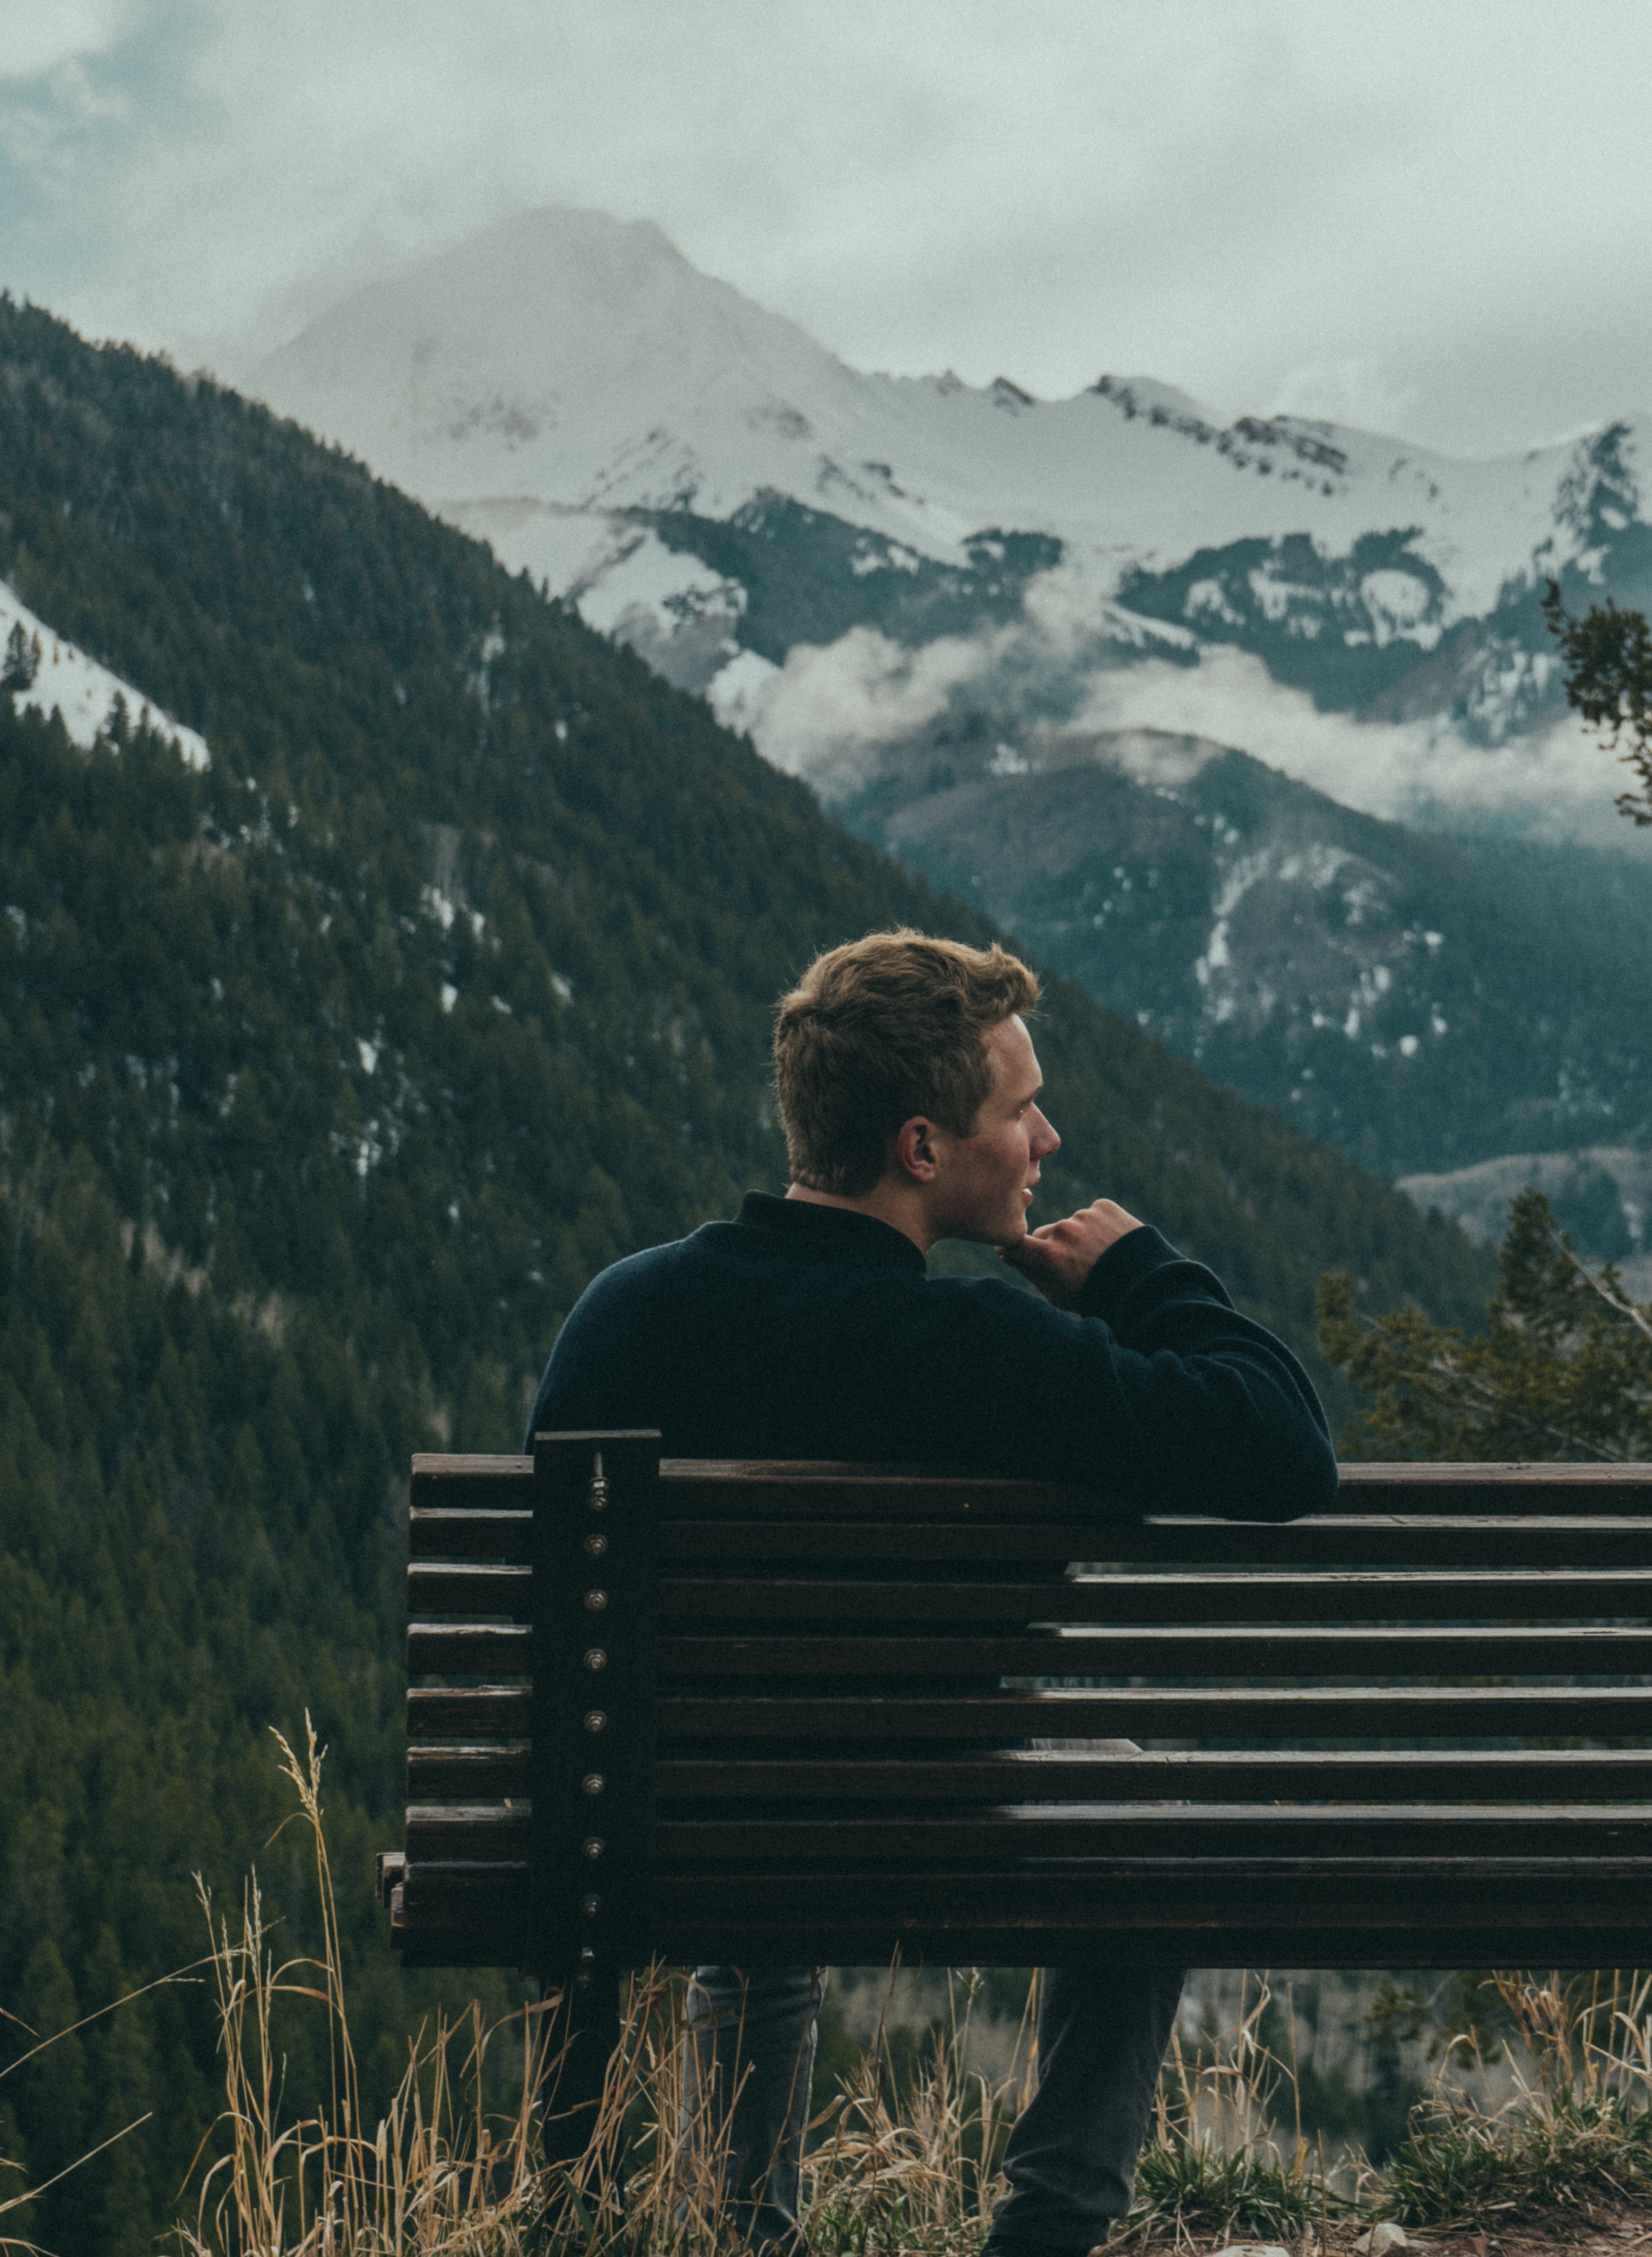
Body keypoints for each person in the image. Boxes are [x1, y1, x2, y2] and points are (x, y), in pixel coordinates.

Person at [526, 928, 1338, 2257]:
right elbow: (1286, 1449)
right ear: (920, 1147)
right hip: (932, 1819)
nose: (1048, 1140)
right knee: (1148, 1818)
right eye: (1019, 1112)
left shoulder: (626, 1314)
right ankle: (1049, 2230)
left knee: (750, 1836)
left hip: (657, 1831)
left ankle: (742, 2235)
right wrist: (1141, 1276)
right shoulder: (986, 1347)